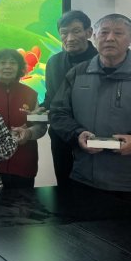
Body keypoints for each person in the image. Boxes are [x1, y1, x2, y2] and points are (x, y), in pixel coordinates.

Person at [50, 14, 131, 208]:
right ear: (94, 37)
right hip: (84, 180)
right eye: (104, 33)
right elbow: (58, 113)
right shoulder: (77, 73)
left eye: (118, 33)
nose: (109, 38)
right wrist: (77, 134)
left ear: (130, 39)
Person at [42, 10, 98, 185]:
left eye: (76, 31)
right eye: (64, 33)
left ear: (89, 32)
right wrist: (40, 108)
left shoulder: (102, 60)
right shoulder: (54, 62)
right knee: (65, 186)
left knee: (94, 188)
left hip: (93, 134)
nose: (70, 38)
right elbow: (51, 97)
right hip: (61, 134)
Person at [0, 49, 47, 188]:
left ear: (20, 67)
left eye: (13, 63)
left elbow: (41, 127)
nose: (8, 66)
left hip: (24, 164)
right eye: (3, 63)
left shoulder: (31, 94)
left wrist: (28, 133)